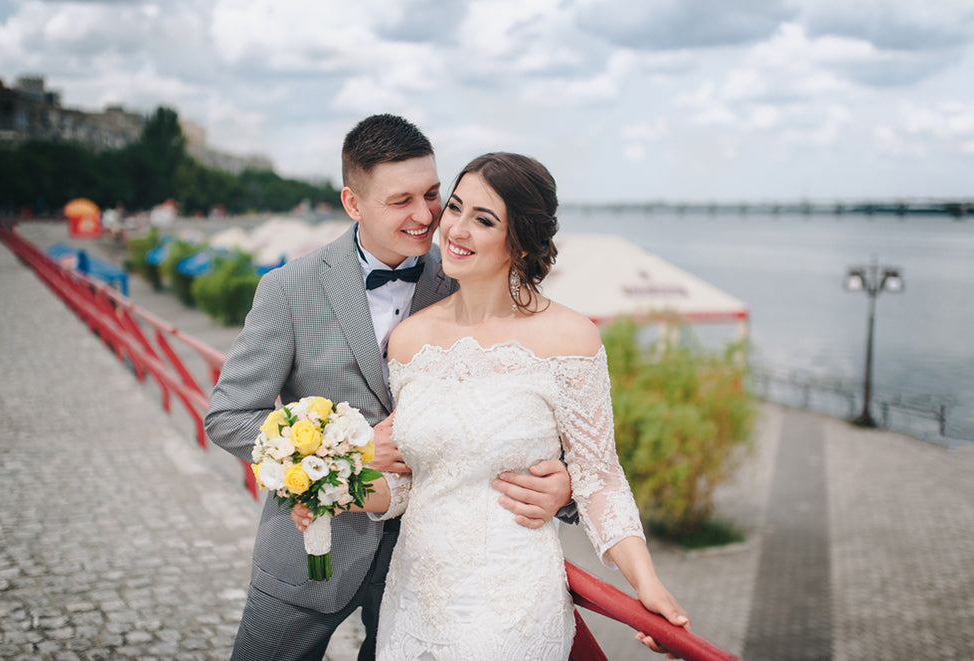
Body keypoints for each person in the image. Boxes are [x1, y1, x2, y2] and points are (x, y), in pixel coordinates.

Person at [205, 116, 574, 661]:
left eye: (432, 194)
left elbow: (532, 401)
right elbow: (229, 415)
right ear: (354, 204)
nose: (426, 216)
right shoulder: (287, 289)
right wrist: (347, 451)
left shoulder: (468, 276)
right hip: (310, 550)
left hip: (426, 569)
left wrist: (562, 485)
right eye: (402, 200)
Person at [295, 152, 690, 659]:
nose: (456, 229)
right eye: (455, 208)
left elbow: (599, 478)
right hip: (414, 600)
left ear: (521, 241)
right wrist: (332, 487)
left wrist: (647, 586)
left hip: (512, 606)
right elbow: (407, 480)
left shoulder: (571, 338)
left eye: (483, 219)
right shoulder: (410, 340)